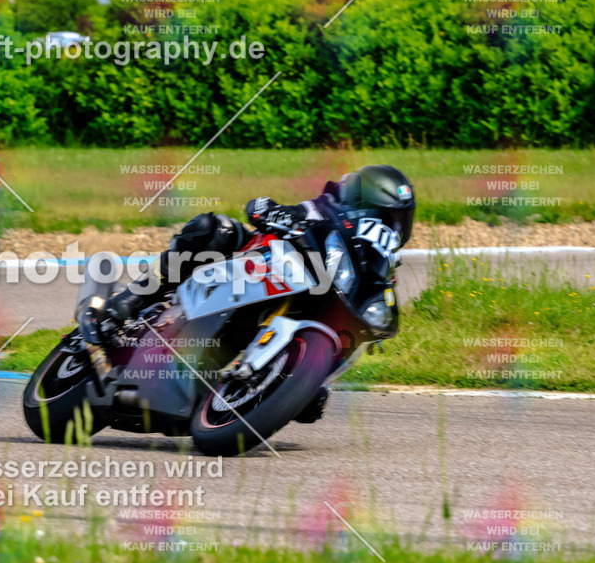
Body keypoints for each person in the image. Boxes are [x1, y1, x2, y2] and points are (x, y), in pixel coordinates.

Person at [86, 164, 416, 423]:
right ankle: (127, 301)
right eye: (384, 214)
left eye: (398, 220)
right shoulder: (322, 209)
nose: (389, 226)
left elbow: (364, 322)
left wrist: (305, 384)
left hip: (307, 304)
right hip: (248, 272)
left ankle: (263, 381)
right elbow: (263, 208)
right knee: (216, 230)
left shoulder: (380, 266)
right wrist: (272, 212)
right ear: (360, 197)